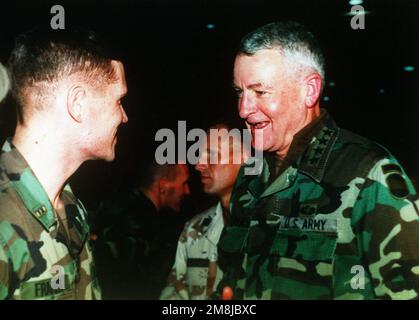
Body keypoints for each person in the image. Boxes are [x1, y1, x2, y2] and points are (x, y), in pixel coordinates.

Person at [215, 21, 419, 300]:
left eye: (260, 92)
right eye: (240, 92)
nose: (243, 109)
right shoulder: (251, 176)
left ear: (309, 91)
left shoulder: (371, 175)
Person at [0, 28, 128, 300]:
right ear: (78, 104)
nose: (124, 116)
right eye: (119, 100)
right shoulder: (4, 220)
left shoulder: (71, 208)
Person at [160, 120, 249, 299]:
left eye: (211, 155)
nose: (199, 164)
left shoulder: (269, 228)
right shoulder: (194, 230)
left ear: (244, 158)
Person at [94, 162, 190, 299]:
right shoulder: (146, 229)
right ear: (162, 186)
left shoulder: (118, 210)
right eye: (184, 183)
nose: (187, 191)